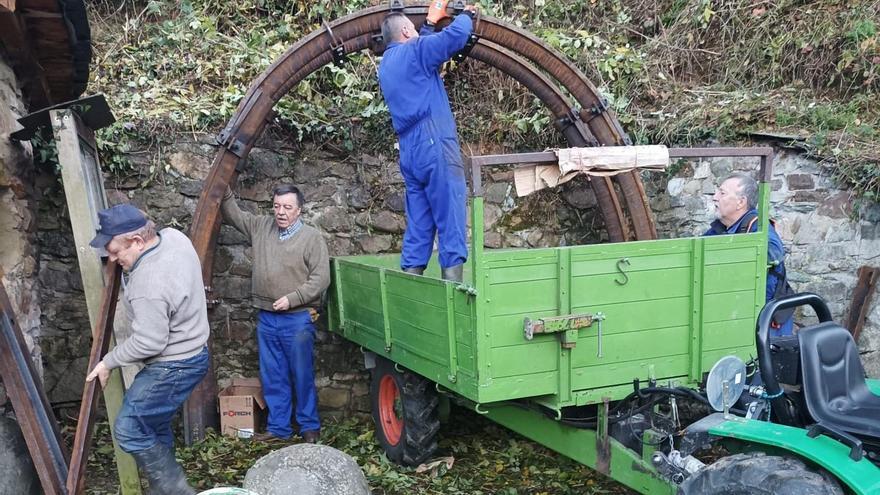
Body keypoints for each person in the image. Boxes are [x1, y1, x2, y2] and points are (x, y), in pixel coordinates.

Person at [86, 204, 209, 495]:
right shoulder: (175, 238)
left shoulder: (148, 283)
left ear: (138, 241)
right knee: (152, 424)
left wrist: (108, 361)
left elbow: (149, 342)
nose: (113, 259)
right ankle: (162, 490)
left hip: (174, 365)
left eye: (116, 251)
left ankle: (175, 488)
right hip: (195, 352)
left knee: (129, 429)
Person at [220, 184, 330, 443]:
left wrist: (293, 299)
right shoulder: (261, 227)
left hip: (298, 318)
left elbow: (321, 278)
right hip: (267, 317)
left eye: (287, 207)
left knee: (301, 374)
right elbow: (234, 215)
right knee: (273, 375)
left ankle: (309, 427)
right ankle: (279, 428)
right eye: (277, 205)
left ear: (299, 210)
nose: (280, 212)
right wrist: (223, 188)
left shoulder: (311, 238)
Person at [377, 1, 477, 282]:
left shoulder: (386, 66)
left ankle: (412, 292)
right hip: (434, 141)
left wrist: (430, 23)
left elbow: (423, 50)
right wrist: (467, 15)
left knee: (420, 224)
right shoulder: (416, 51)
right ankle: (452, 293)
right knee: (451, 214)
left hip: (409, 150)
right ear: (408, 32)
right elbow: (454, 38)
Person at [705, 172, 794, 336]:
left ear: (740, 202)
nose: (714, 197)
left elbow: (774, 253)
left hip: (767, 317)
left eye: (722, 193)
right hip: (738, 312)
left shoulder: (757, 226)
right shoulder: (719, 229)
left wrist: (729, 253)